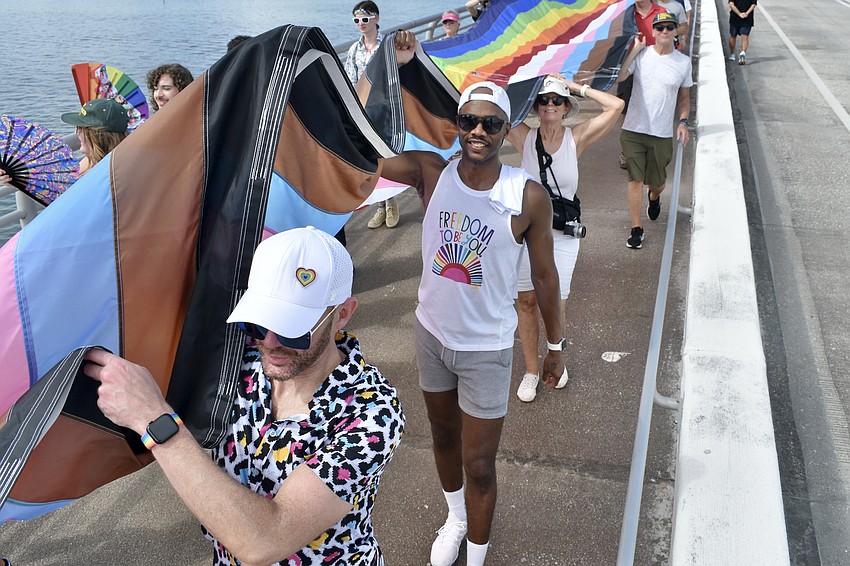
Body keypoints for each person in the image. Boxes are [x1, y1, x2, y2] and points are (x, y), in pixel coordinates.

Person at [83, 226, 405, 565]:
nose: (268, 342)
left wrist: (156, 423)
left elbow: (266, 541)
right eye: (256, 323)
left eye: (291, 330)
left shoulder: (373, 412)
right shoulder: (237, 360)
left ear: (341, 314)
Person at [377, 41, 566, 562]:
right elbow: (360, 152)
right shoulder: (431, 173)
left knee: (480, 463)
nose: (478, 132)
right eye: (468, 121)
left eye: (490, 124)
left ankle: (477, 553)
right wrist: (392, 70)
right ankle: (456, 518)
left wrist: (556, 345)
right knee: (442, 435)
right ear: (456, 125)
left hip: (485, 347)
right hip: (432, 334)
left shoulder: (526, 195)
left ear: (507, 131)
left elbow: (545, 277)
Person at [505, 76, 623, 402]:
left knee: (555, 303)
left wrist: (576, 87)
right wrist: (522, 84)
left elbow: (617, 105)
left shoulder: (576, 138)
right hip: (529, 232)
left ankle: (555, 356)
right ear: (536, 106)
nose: (550, 106)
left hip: (564, 234)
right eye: (543, 101)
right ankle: (530, 371)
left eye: (557, 101)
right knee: (527, 301)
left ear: (566, 106)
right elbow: (494, 111)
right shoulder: (524, 137)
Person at [618, 11, 693, 249]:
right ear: (653, 31)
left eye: (669, 28)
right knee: (634, 180)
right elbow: (620, 77)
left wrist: (683, 122)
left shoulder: (683, 63)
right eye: (660, 28)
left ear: (674, 32)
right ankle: (636, 229)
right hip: (633, 130)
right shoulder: (642, 57)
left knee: (657, 182)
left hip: (661, 134)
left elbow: (684, 99)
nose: (664, 32)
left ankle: (655, 196)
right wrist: (634, 51)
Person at [344, 1, 400, 230]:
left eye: (365, 19)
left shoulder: (387, 46)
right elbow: (350, 80)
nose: (360, 24)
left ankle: (392, 203)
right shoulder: (353, 50)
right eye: (356, 20)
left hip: (386, 109)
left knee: (388, 158)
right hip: (363, 113)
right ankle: (381, 206)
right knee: (371, 159)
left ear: (376, 19)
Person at [616, 0, 669, 169]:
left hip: (653, 68)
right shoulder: (625, 12)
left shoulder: (661, 11)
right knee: (625, 108)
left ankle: (649, 149)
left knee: (649, 107)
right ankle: (626, 151)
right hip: (629, 64)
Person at [60, 98, 130, 175]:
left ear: (99, 136)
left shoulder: (103, 174)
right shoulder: (125, 161)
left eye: (80, 127)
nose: (76, 132)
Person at [728, 0, 757, 65]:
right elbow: (731, 4)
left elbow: (753, 4)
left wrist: (746, 13)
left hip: (747, 19)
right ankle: (732, 53)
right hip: (735, 18)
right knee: (733, 35)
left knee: (744, 36)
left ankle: (742, 53)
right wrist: (739, 14)